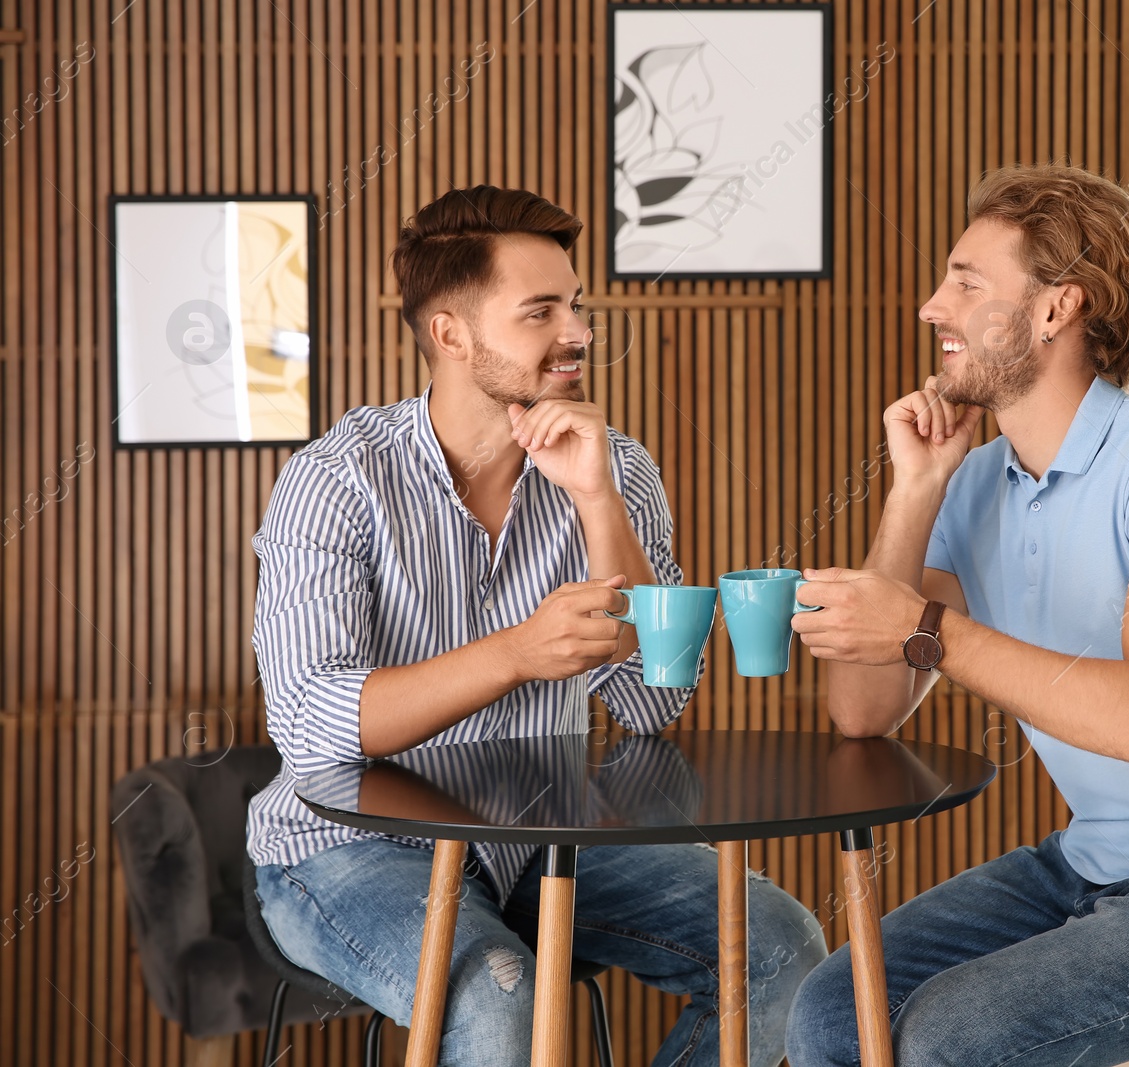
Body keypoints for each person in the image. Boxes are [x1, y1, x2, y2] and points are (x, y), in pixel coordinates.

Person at [785, 163, 1129, 1066]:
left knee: (953, 1036)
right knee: (829, 1009)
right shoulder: (977, 483)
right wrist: (915, 494)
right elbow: (863, 710)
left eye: (967, 282)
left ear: (1058, 309)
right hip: (1095, 864)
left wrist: (933, 631)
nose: (934, 307)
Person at [247, 185, 823, 1067]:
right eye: (541, 311)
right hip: (348, 853)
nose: (579, 332)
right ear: (451, 334)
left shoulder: (614, 468)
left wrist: (597, 500)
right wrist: (515, 654)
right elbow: (314, 725)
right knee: (495, 992)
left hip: (535, 843)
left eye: (577, 304)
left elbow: (651, 700)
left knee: (782, 944)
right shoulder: (338, 480)